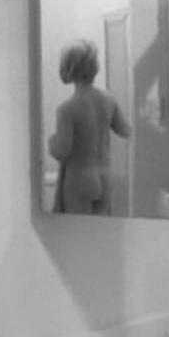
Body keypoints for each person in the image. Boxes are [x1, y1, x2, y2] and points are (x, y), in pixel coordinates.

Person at [49, 39, 131, 215]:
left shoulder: (67, 109)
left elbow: (62, 151)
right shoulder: (109, 100)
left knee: (78, 230)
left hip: (79, 180)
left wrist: (51, 142)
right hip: (104, 177)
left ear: (69, 68)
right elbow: (126, 131)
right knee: (100, 230)